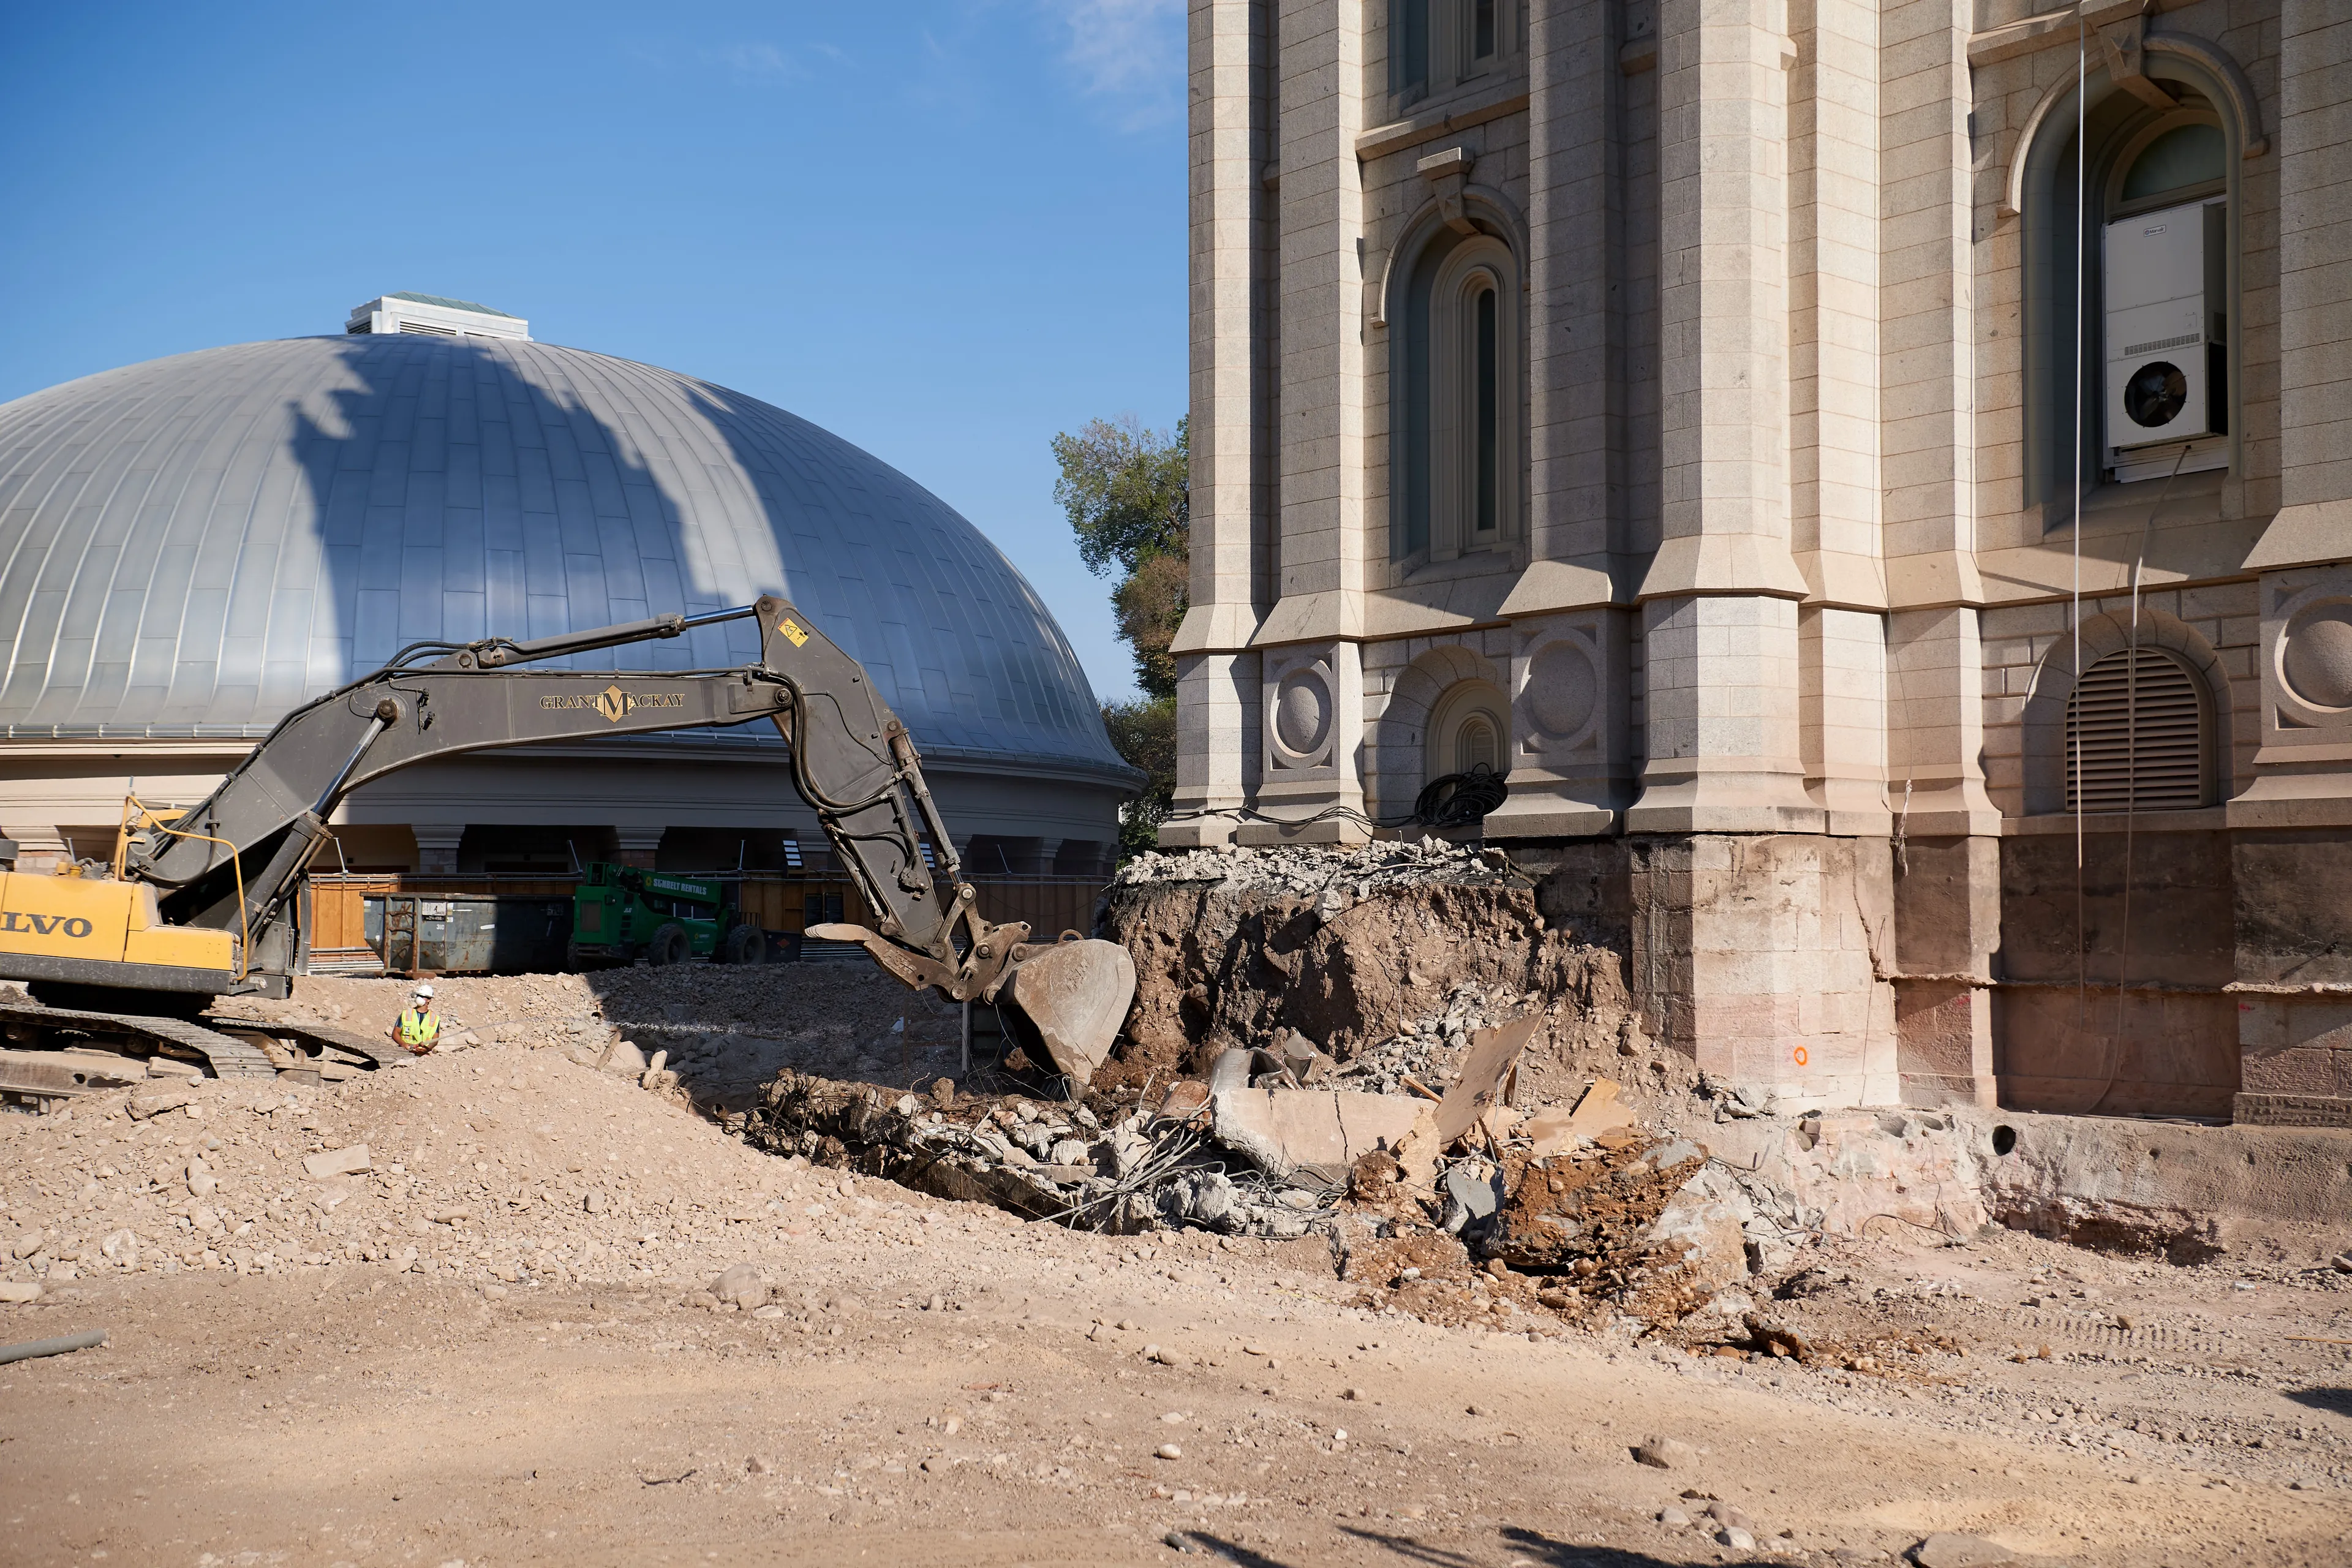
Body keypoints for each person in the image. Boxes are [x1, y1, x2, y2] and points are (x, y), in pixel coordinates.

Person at [393, 984, 441, 1054]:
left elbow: (435, 1040)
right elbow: (395, 1033)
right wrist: (403, 1044)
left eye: (423, 997)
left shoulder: (434, 1018)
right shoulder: (406, 1014)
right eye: (419, 996)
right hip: (405, 1052)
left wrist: (427, 1049)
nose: (419, 998)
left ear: (429, 1000)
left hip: (423, 1055)